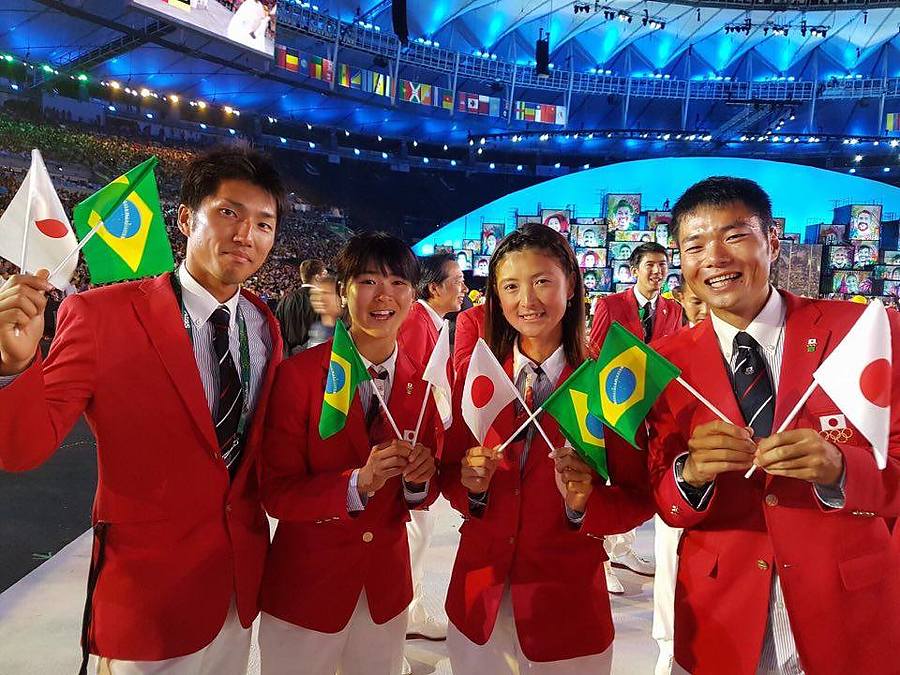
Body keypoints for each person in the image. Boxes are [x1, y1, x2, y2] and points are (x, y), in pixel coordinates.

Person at [0, 147, 287, 674]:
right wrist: (14, 369)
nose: (246, 235)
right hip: (145, 595)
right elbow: (22, 449)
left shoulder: (263, 325)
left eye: (264, 224)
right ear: (185, 219)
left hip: (235, 587)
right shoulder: (100, 315)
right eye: (229, 212)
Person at [649, 176, 900, 675]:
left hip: (845, 610)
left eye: (734, 236)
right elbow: (659, 492)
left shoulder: (863, 333)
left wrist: (841, 469)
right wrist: (690, 474)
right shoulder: (665, 364)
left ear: (773, 241)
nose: (715, 258)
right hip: (722, 614)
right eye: (694, 246)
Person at [440, 224, 653, 674]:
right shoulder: (479, 377)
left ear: (571, 285)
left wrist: (582, 505)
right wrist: (472, 489)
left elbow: (637, 498)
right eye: (511, 287)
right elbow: (450, 476)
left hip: (567, 606)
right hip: (479, 600)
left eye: (542, 282)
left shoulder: (608, 383)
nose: (527, 301)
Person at [257, 232, 439, 675]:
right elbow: (276, 492)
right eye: (368, 281)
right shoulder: (298, 376)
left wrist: (419, 481)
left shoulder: (424, 383)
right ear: (342, 291)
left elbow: (423, 492)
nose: (384, 295)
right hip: (308, 585)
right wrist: (357, 483)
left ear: (413, 296)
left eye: (398, 283)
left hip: (384, 590)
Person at [590, 242, 683, 593]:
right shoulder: (611, 305)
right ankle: (600, 560)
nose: (657, 271)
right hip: (615, 406)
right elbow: (595, 352)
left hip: (652, 408)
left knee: (636, 477)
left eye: (663, 265)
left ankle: (622, 551)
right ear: (634, 270)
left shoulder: (672, 310)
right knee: (609, 481)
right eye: (650, 265)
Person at [397, 253, 467, 647]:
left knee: (418, 535)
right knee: (412, 535)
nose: (463, 287)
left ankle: (411, 609)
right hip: (414, 446)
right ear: (434, 287)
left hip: (422, 444)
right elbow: (414, 389)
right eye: (456, 280)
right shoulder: (416, 322)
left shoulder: (431, 322)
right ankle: (402, 615)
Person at [274, 258, 325, 356]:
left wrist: (289, 354)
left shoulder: (285, 300)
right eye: (325, 274)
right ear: (318, 277)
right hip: (314, 358)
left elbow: (277, 332)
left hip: (288, 359)